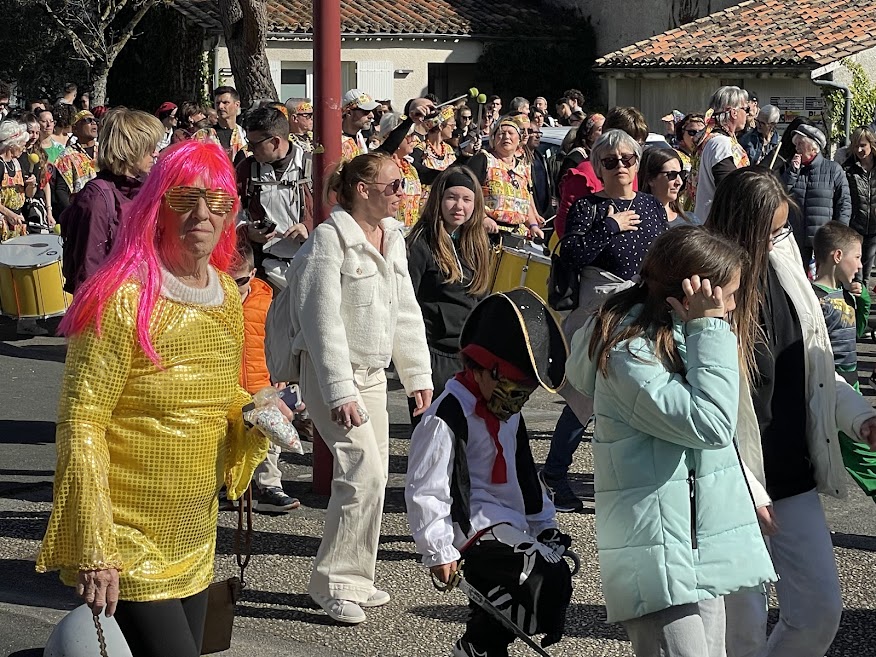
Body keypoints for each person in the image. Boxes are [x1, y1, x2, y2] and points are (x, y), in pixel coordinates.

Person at [35, 139, 271, 656]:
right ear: (157, 203)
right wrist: (97, 545)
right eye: (185, 199)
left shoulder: (226, 293)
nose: (202, 216)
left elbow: (216, 390)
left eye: (218, 204)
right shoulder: (123, 296)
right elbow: (82, 421)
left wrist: (255, 413)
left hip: (194, 531)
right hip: (129, 537)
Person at [567, 225, 776, 657]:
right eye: (730, 294)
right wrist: (709, 329)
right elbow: (712, 423)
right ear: (695, 291)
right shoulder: (630, 353)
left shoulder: (677, 334)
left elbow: (715, 444)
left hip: (692, 542)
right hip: (657, 553)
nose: (734, 306)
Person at [705, 168, 876, 657]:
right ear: (739, 226)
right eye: (771, 230)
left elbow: (817, 365)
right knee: (741, 633)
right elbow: (705, 403)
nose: (779, 240)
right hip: (731, 484)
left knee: (820, 613)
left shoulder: (784, 267)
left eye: (784, 229)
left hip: (792, 475)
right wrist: (744, 484)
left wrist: (858, 416)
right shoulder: (705, 281)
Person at [286, 152, 433, 624]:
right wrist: (339, 392)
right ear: (363, 190)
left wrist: (418, 378)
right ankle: (336, 583)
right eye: (393, 185)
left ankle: (356, 579)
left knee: (374, 475)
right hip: (335, 374)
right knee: (363, 474)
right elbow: (320, 322)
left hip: (372, 375)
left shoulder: (392, 237)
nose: (401, 193)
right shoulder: (328, 242)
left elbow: (405, 309)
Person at [406, 287, 573, 657]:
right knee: (536, 574)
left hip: (507, 520)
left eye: (523, 395)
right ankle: (481, 644)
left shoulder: (508, 416)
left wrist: (544, 523)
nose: (515, 402)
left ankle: (483, 643)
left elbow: (525, 471)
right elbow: (425, 488)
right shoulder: (446, 415)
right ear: (483, 369)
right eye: (511, 389)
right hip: (469, 525)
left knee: (552, 580)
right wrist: (437, 549)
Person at [541, 129, 668, 512]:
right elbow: (572, 254)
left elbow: (661, 255)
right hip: (598, 311)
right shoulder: (588, 207)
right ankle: (555, 473)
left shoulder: (650, 206)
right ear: (598, 167)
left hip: (642, 310)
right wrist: (610, 226)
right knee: (585, 398)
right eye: (609, 161)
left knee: (639, 394)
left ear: (637, 161)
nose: (620, 167)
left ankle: (629, 479)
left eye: (627, 159)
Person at [406, 167, 492, 421]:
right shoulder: (420, 244)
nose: (459, 206)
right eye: (452, 197)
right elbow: (407, 302)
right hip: (433, 355)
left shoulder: (475, 243)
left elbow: (480, 298)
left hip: (466, 354)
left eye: (467, 200)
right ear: (439, 200)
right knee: (433, 433)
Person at [61, 108, 164, 294]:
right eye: (149, 148)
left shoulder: (144, 189)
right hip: (110, 311)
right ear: (130, 148)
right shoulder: (96, 199)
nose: (155, 154)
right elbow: (88, 273)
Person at [233, 234, 300, 512]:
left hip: (263, 378)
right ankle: (231, 486)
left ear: (253, 273)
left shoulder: (267, 299)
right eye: (229, 280)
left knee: (270, 434)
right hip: (230, 383)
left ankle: (270, 484)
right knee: (232, 436)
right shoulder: (216, 300)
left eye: (241, 281)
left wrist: (280, 372)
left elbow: (278, 338)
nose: (236, 288)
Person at [811, 222, 876, 504]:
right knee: (869, 460)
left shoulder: (846, 295)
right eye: (857, 257)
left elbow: (855, 333)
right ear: (838, 256)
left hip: (852, 389)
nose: (860, 265)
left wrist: (862, 301)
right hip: (831, 390)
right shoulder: (814, 300)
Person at [236, 106, 310, 290]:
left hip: (309, 268)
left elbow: (339, 213)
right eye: (248, 143)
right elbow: (228, 213)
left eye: (255, 144)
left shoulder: (311, 167)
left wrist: (310, 227)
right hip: (265, 273)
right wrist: (246, 230)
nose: (250, 149)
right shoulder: (246, 170)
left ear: (276, 142)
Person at [555, 107, 647, 238]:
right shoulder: (583, 175)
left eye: (640, 145)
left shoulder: (629, 169)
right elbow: (565, 231)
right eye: (630, 142)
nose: (634, 151)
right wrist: (606, 228)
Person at [781, 123, 851, 271]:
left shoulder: (833, 170)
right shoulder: (792, 169)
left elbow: (844, 203)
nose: (797, 148)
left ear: (814, 147)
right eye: (796, 144)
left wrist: (839, 234)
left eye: (800, 143)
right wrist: (792, 173)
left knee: (822, 282)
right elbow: (779, 195)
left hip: (823, 240)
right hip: (796, 239)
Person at [467, 115, 544, 239]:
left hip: (517, 235)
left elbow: (525, 201)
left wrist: (533, 225)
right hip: (487, 231)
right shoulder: (483, 160)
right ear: (493, 138)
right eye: (501, 133)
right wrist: (483, 218)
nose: (506, 137)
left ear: (519, 139)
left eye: (511, 133)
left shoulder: (523, 168)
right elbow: (468, 193)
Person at [689, 86, 750, 220]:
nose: (748, 114)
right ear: (734, 112)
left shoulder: (707, 139)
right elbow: (730, 189)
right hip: (718, 226)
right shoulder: (720, 143)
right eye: (746, 109)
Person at [375, 111, 422, 227]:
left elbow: (433, 175)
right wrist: (409, 120)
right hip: (389, 230)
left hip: (410, 233)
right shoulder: (380, 162)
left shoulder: (410, 166)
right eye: (408, 135)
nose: (413, 139)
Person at [843, 125, 876, 286]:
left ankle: (863, 307)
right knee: (856, 275)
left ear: (871, 144)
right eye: (856, 146)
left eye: (863, 145)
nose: (859, 150)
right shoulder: (848, 169)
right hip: (855, 227)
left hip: (874, 229)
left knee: (866, 276)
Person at [53, 109, 99, 214]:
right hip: (80, 211)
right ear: (75, 128)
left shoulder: (105, 152)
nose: (93, 123)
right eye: (87, 120)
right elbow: (61, 190)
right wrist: (72, 212)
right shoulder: (66, 156)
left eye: (95, 120)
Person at [639, 148, 700, 226]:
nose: (679, 182)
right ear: (650, 179)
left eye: (681, 174)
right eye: (672, 175)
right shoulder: (636, 224)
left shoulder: (691, 221)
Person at [411, 105, 459, 204]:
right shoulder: (420, 149)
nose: (455, 128)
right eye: (452, 125)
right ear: (441, 126)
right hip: (425, 205)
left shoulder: (449, 149)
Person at [0, 120, 36, 238]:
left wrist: (32, 185)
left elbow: (29, 195)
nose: (24, 148)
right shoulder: (0, 165)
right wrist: (8, 213)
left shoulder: (18, 163)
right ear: (11, 144)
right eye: (21, 144)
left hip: (17, 222)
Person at [556, 112, 604, 188]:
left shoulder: (603, 155)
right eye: (600, 130)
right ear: (590, 136)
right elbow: (563, 186)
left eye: (606, 128)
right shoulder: (575, 157)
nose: (605, 133)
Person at [340, 89, 379, 161]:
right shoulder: (336, 141)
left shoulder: (359, 137)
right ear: (349, 112)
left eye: (372, 111)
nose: (372, 115)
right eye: (366, 111)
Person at [213, 86, 247, 162]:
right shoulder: (204, 136)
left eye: (225, 103)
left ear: (237, 105)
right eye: (217, 103)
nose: (220, 107)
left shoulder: (245, 135)